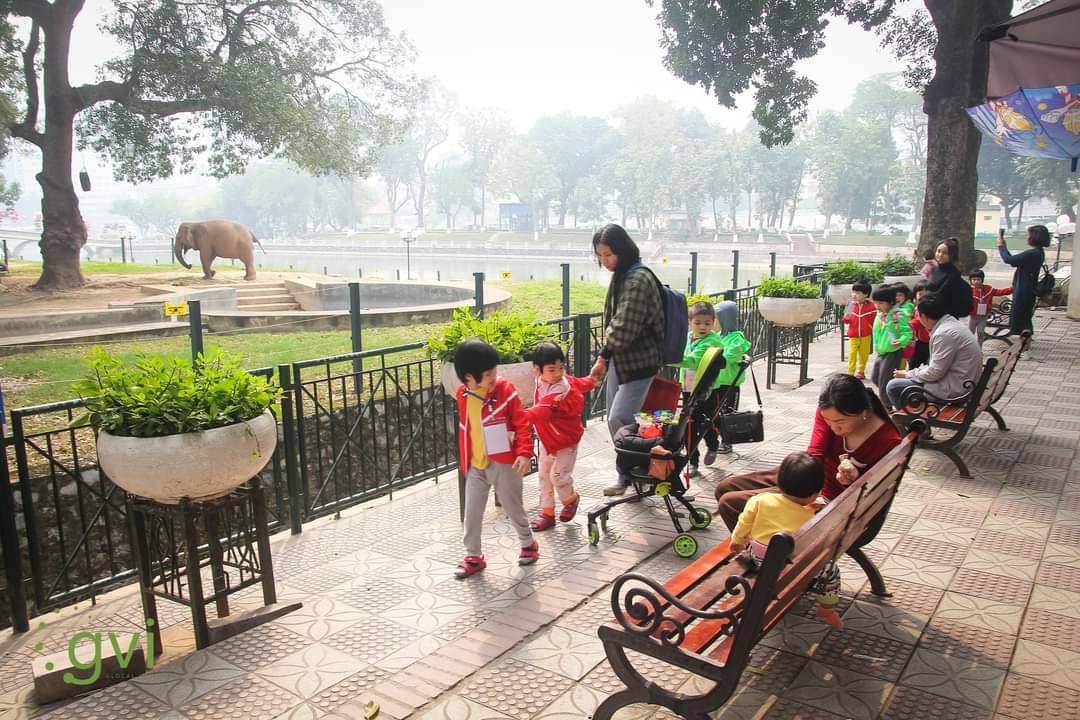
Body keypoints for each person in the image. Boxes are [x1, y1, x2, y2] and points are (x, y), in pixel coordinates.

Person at [714, 374, 902, 531]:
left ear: (863, 411)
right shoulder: (829, 410)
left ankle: (765, 556)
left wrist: (854, 480)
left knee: (729, 503)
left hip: (828, 500)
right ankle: (763, 544)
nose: (834, 428)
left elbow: (868, 496)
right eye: (828, 422)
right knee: (725, 487)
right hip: (809, 477)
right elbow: (815, 455)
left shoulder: (887, 441)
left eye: (841, 422)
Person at [588, 224, 663, 496]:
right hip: (623, 361)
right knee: (618, 418)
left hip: (639, 363)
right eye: (600, 256)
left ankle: (636, 472)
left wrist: (602, 357)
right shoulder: (622, 275)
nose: (604, 261)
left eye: (608, 255)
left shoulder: (637, 279)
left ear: (622, 250)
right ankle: (629, 474)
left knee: (620, 418)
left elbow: (623, 326)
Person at [729, 451, 843, 630]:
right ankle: (827, 608)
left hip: (758, 558)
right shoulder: (812, 516)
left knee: (758, 543)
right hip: (794, 566)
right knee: (831, 571)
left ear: (779, 482)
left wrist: (737, 541)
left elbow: (743, 523)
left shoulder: (760, 500)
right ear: (815, 493)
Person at [452, 339, 537, 578]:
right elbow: (466, 429)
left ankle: (528, 544)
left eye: (495, 371)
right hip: (477, 465)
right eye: (488, 374)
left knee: (513, 507)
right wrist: (466, 461)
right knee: (472, 512)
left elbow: (522, 422)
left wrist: (524, 452)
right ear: (469, 378)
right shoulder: (462, 395)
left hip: (504, 463)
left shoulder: (505, 390)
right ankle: (473, 556)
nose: (494, 377)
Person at [524, 342, 599, 531]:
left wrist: (518, 417)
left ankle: (571, 500)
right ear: (537, 370)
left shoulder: (559, 389)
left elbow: (542, 410)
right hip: (548, 440)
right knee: (544, 477)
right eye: (552, 369)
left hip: (565, 441)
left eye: (561, 368)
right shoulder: (542, 381)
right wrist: (591, 381)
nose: (558, 373)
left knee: (557, 476)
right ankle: (547, 513)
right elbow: (579, 382)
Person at [887, 291, 984, 410]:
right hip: (964, 381)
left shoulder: (944, 334)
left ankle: (912, 423)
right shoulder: (951, 323)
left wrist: (907, 374)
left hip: (956, 388)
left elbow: (935, 372)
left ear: (924, 317)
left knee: (893, 386)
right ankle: (915, 420)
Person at [676, 300, 725, 474]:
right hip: (689, 388)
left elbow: (693, 360)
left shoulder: (713, 341)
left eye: (707, 323)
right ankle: (692, 461)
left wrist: (670, 360)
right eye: (697, 323)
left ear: (714, 322)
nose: (702, 327)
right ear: (689, 323)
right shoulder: (690, 338)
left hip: (708, 390)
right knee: (689, 424)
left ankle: (713, 444)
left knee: (706, 422)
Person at [998, 225, 1050, 337]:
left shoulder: (1032, 253)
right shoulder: (1039, 252)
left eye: (1029, 235)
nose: (1027, 237)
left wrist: (1001, 247)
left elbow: (1008, 260)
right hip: (1027, 286)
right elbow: (1014, 262)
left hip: (1024, 288)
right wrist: (1005, 248)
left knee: (1020, 314)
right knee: (1025, 315)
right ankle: (1027, 336)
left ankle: (1023, 339)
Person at [870, 286, 912, 411]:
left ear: (890, 302)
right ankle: (894, 394)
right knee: (875, 377)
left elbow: (907, 332)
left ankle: (886, 406)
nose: (877, 305)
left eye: (881, 303)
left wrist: (900, 341)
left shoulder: (897, 315)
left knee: (884, 380)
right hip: (881, 352)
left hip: (892, 352)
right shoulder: (880, 314)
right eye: (876, 302)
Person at [927, 238, 972, 320]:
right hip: (934, 310)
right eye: (938, 251)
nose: (940, 255)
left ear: (952, 255)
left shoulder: (953, 274)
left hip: (947, 315)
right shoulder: (935, 269)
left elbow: (940, 293)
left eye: (945, 253)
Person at [967, 269, 1012, 346]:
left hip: (983, 316)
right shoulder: (968, 290)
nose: (976, 281)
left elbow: (1000, 292)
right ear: (971, 280)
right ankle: (969, 347)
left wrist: (1013, 289)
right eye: (974, 279)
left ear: (982, 280)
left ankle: (979, 348)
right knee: (970, 333)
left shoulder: (988, 290)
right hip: (972, 316)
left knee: (980, 332)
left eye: (978, 279)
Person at [842, 281, 875, 379]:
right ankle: (850, 372)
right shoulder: (850, 305)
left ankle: (861, 371)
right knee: (852, 354)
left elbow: (874, 320)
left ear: (865, 294)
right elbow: (845, 320)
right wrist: (846, 318)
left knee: (864, 354)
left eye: (857, 293)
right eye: (853, 292)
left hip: (866, 335)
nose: (854, 295)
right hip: (853, 335)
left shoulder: (872, 306)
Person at [909, 281, 931, 369]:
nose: (924, 296)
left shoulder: (931, 307)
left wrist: (910, 324)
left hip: (931, 342)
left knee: (930, 364)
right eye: (920, 294)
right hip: (919, 342)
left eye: (927, 294)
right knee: (913, 363)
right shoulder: (915, 308)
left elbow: (918, 321)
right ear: (915, 296)